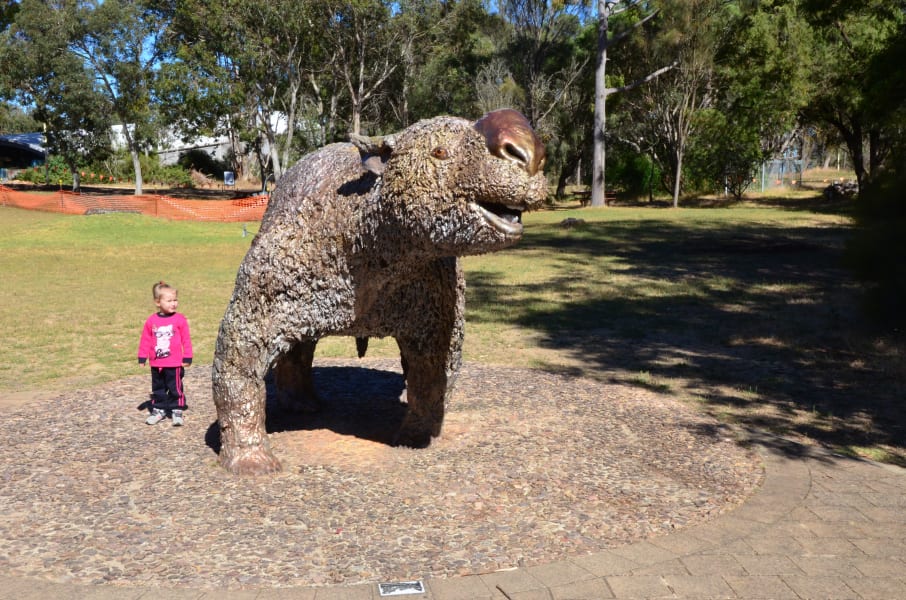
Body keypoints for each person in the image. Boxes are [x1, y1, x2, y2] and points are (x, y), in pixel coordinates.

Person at [137, 281, 193, 426]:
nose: (173, 303)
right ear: (158, 302)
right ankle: (159, 410)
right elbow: (145, 339)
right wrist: (142, 356)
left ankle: (176, 410)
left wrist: (187, 356)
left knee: (175, 388)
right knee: (158, 388)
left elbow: (186, 339)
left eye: (175, 300)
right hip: (156, 363)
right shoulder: (151, 321)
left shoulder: (180, 319)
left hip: (174, 363)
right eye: (169, 301)